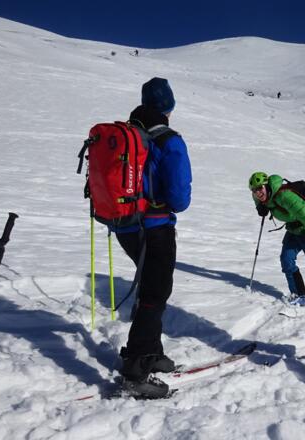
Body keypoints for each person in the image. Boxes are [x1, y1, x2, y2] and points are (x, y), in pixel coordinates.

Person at [114, 77, 192, 397]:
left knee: (152, 287)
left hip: (126, 226)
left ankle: (152, 350)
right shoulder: (168, 140)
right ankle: (137, 368)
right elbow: (179, 198)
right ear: (168, 107)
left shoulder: (129, 135)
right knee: (155, 292)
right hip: (155, 228)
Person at [248, 172, 305, 312]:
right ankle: (299, 295)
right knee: (286, 260)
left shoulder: (284, 196)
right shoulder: (266, 198)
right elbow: (257, 198)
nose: (258, 192)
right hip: (294, 230)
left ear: (267, 186)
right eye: (254, 190)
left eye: (260, 188)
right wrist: (259, 207)